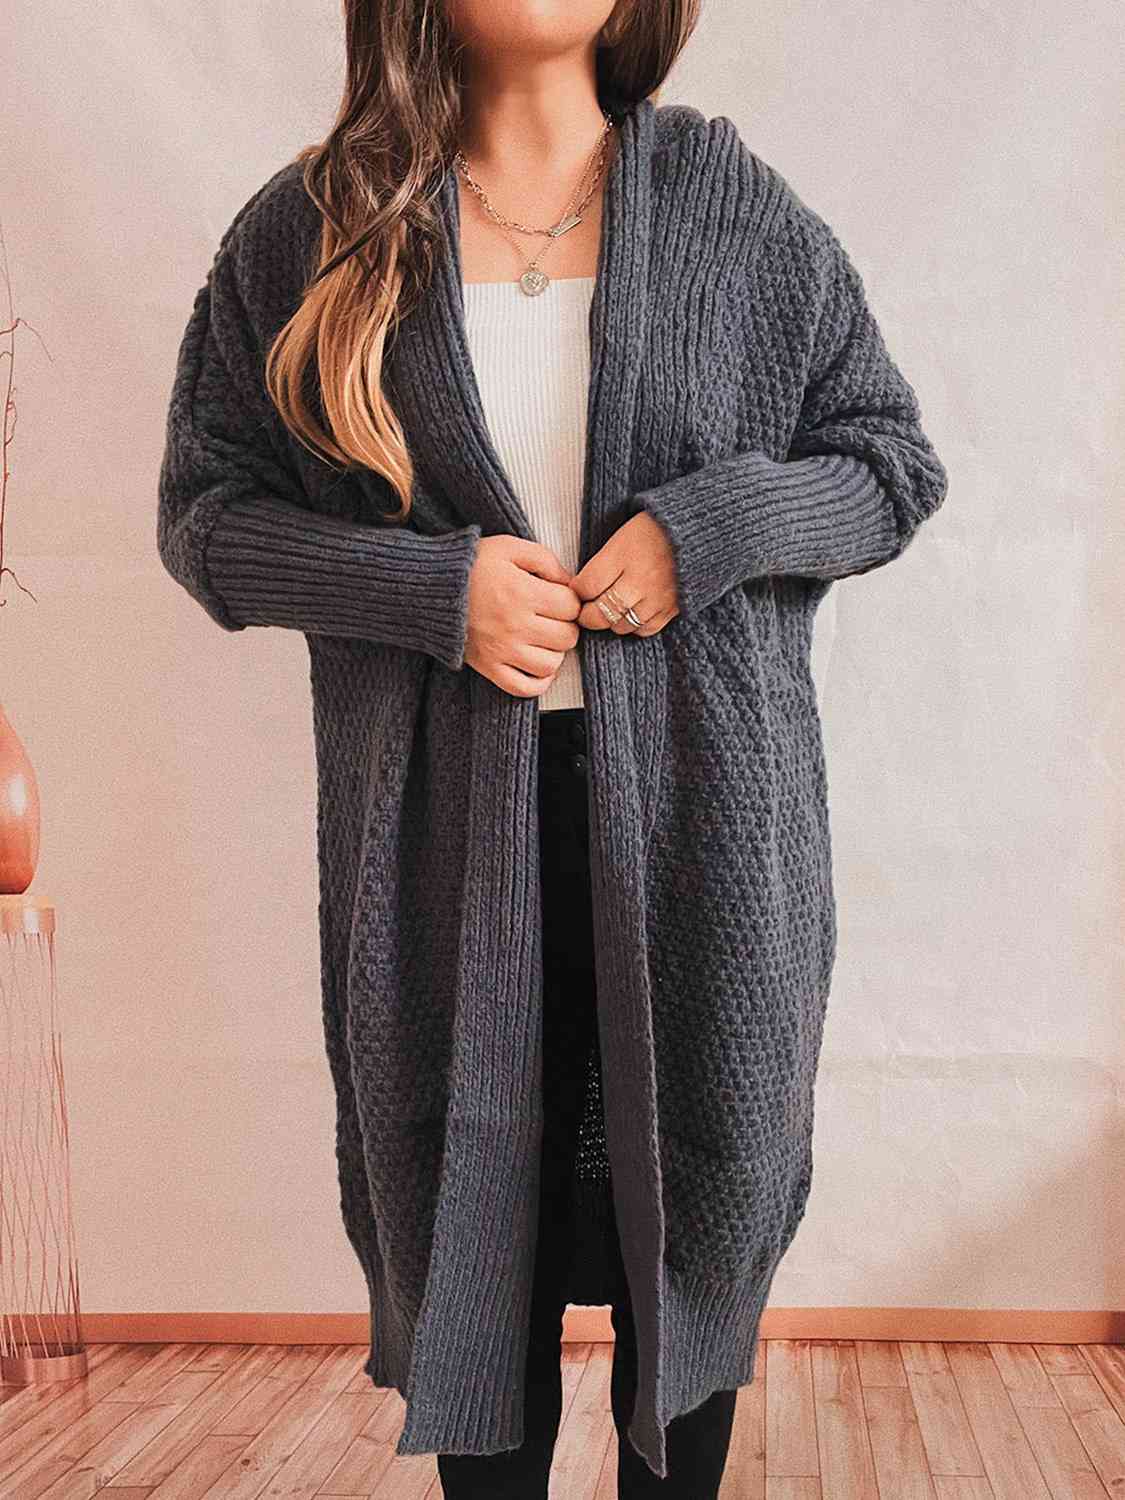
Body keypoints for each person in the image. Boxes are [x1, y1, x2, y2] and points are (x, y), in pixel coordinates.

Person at [157, 1, 948, 1495]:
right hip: (443, 843)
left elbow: (887, 467)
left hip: (705, 832)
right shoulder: (320, 227)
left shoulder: (730, 209)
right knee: (473, 1222)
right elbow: (206, 521)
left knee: (697, 1218)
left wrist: (709, 529)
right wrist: (427, 591)